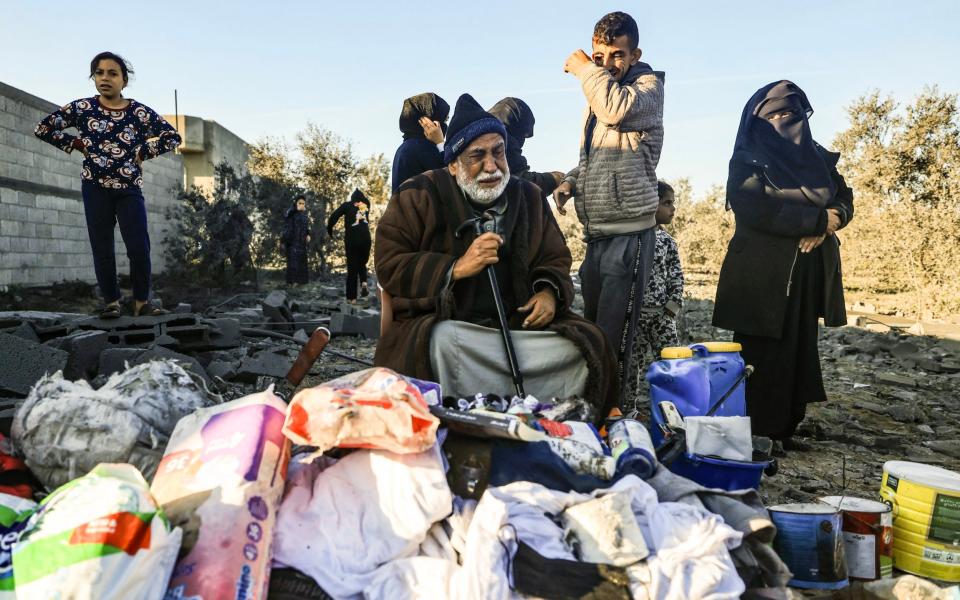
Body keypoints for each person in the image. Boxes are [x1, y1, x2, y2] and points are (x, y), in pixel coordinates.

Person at [375, 94, 618, 421]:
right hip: (455, 329)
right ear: (452, 164)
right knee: (442, 345)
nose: (491, 166)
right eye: (477, 155)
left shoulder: (528, 196)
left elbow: (554, 257)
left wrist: (548, 293)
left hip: (519, 329)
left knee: (588, 346)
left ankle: (548, 419)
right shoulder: (417, 195)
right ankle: (462, 423)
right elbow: (390, 263)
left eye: (498, 152)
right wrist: (455, 268)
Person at [712, 80, 854, 451]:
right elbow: (755, 208)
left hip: (807, 271)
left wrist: (833, 218)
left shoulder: (818, 157)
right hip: (762, 274)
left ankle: (787, 428)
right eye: (772, 114)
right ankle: (757, 431)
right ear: (757, 120)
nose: (782, 120)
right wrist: (815, 222)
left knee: (799, 348)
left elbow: (844, 197)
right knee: (760, 354)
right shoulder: (747, 159)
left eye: (789, 113)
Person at [552, 11, 666, 409]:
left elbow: (615, 110)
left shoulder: (647, 90)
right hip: (598, 233)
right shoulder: (601, 91)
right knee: (596, 330)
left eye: (617, 55)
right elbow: (600, 155)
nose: (608, 64)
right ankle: (595, 406)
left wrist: (585, 69)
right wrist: (571, 180)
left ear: (635, 54)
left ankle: (617, 413)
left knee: (617, 336)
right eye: (599, 56)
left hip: (629, 233)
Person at [34, 51, 181, 318]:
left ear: (124, 81)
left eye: (112, 73)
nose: (105, 78)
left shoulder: (138, 112)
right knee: (102, 246)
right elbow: (43, 128)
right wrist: (76, 144)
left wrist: (143, 153)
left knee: (138, 246)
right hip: (95, 187)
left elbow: (172, 137)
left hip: (129, 189)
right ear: (93, 77)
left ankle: (141, 302)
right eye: (99, 73)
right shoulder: (82, 109)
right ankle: (111, 302)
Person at [626, 181, 684, 415]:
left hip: (662, 316)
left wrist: (672, 305)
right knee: (631, 365)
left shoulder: (668, 241)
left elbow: (676, 274)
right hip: (636, 317)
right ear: (651, 204)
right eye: (667, 203)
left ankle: (673, 409)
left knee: (670, 361)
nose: (672, 209)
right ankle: (628, 408)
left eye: (673, 203)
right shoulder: (634, 238)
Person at [487, 97, 564, 197]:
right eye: (524, 135)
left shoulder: (476, 133)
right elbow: (521, 184)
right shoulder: (500, 140)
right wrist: (555, 179)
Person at [391, 93, 449, 195]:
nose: (445, 125)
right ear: (429, 121)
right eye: (445, 119)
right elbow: (450, 182)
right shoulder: (422, 148)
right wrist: (440, 143)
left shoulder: (406, 147)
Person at [327, 188, 371, 303]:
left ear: (352, 198)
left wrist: (329, 229)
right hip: (366, 239)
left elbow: (334, 216)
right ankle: (364, 283)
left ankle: (352, 298)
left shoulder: (347, 205)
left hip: (352, 240)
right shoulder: (366, 205)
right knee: (362, 263)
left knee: (352, 269)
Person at [282, 195, 311, 285]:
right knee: (293, 262)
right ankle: (292, 282)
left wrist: (308, 234)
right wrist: (284, 241)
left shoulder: (305, 216)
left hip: (302, 242)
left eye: (303, 203)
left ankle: (301, 282)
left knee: (302, 261)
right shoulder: (291, 213)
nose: (301, 205)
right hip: (293, 242)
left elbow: (306, 228)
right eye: (300, 203)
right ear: (296, 203)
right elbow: (286, 223)